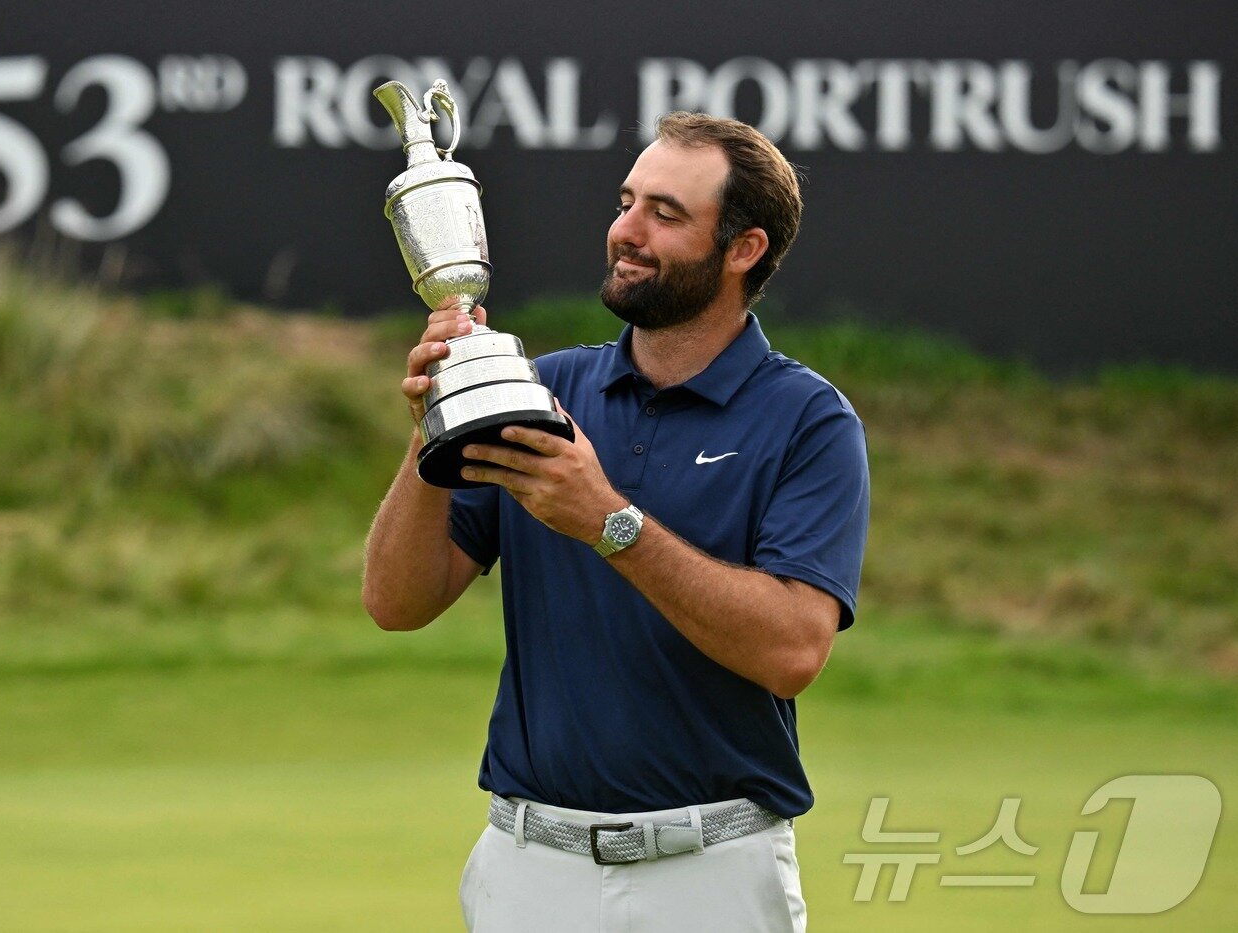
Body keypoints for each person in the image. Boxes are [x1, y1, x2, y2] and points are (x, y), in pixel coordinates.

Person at [362, 112, 870, 933]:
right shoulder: (543, 388)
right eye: (626, 201)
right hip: (528, 870)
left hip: (713, 874)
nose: (625, 232)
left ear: (744, 249)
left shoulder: (808, 420)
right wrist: (431, 427)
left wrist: (608, 521)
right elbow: (397, 600)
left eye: (666, 214)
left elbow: (790, 650)